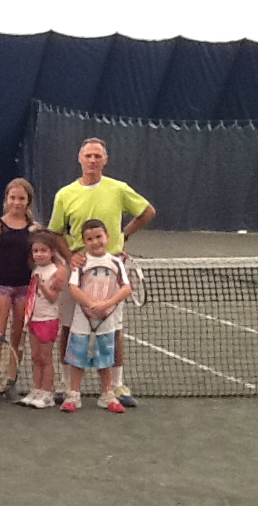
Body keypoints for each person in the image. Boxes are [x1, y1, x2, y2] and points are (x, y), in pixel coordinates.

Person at [48, 137, 156, 407]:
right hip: (77, 270)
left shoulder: (118, 189)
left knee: (114, 330)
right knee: (68, 327)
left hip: (111, 269)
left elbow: (147, 212)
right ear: (80, 159)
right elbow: (54, 233)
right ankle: (66, 383)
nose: (93, 160)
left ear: (105, 160)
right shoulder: (65, 194)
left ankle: (116, 386)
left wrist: (122, 236)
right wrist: (70, 256)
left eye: (98, 156)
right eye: (88, 155)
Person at [61, 219, 130, 414]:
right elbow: (73, 287)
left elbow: (126, 288)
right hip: (82, 319)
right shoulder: (80, 263)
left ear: (107, 237)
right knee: (77, 359)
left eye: (99, 237)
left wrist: (106, 305)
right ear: (84, 242)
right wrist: (90, 303)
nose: (95, 242)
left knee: (105, 359)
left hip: (106, 320)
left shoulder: (116, 262)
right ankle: (74, 395)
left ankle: (107, 394)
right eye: (89, 239)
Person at [0, 179, 38, 379]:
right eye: (12, 197)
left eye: (21, 198)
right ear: (6, 199)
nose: (16, 202)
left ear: (28, 201)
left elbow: (40, 258)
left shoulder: (34, 228)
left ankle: (11, 378)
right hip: (2, 288)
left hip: (25, 289)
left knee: (18, 335)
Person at [18, 231, 68, 409]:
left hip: (48, 319)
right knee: (35, 357)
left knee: (45, 358)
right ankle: (37, 389)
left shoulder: (55, 271)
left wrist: (42, 285)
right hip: (34, 319)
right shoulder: (36, 270)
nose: (39, 254)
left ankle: (47, 393)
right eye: (36, 251)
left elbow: (52, 297)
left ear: (52, 252)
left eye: (43, 250)